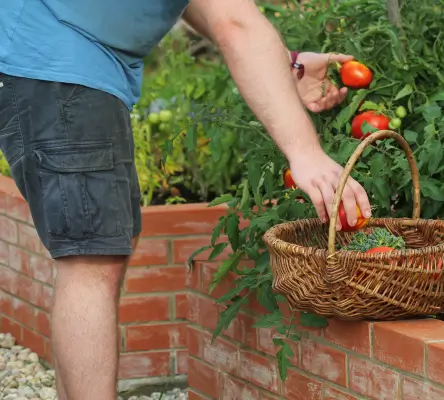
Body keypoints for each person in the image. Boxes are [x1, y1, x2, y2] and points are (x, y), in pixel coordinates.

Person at [0, 0, 372, 399]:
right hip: (54, 59)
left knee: (101, 253)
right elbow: (234, 22)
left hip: (70, 64)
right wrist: (305, 153)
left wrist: (284, 62)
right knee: (93, 259)